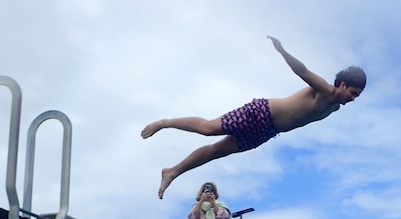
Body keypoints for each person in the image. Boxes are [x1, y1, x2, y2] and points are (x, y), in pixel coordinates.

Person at [142, 36, 367, 198]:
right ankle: (165, 123)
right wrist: (282, 51)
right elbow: (302, 71)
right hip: (260, 113)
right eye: (353, 93)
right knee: (208, 128)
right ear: (343, 84)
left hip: (268, 131)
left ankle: (172, 172)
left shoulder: (334, 108)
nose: (353, 98)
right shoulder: (326, 90)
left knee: (216, 152)